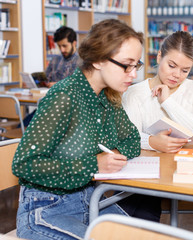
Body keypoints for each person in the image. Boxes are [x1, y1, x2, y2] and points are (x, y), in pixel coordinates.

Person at [12, 19, 144, 240]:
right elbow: (24, 164)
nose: (133, 74)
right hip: (46, 208)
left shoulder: (107, 96)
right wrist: (95, 164)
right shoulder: (64, 97)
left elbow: (132, 139)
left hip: (91, 201)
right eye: (126, 65)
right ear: (99, 61)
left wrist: (114, 157)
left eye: (136, 65)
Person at [120, 31, 193, 222]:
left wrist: (168, 102)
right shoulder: (134, 93)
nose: (177, 75)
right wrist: (153, 142)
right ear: (159, 57)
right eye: (172, 66)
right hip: (148, 175)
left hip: (188, 171)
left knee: (141, 209)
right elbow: (128, 138)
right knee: (141, 210)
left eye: (185, 70)